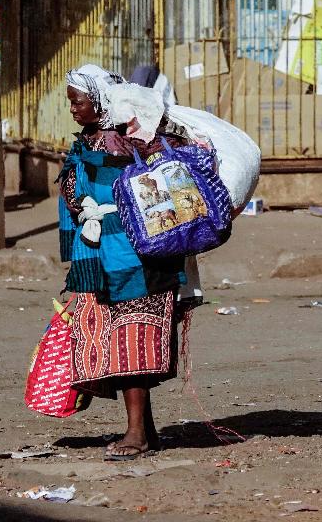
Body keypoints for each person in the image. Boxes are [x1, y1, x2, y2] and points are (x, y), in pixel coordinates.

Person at [60, 64, 194, 461]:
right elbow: (74, 191)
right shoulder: (89, 140)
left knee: (132, 341)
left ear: (99, 100)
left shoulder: (131, 138)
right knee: (119, 342)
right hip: (101, 253)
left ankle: (136, 435)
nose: (73, 109)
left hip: (135, 255)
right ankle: (145, 430)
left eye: (78, 101)